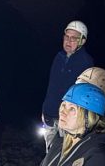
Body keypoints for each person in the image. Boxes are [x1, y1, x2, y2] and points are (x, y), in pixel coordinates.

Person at [39, 21, 94, 151]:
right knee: (50, 153)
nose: (68, 41)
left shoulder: (86, 62)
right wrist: (45, 109)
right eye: (66, 37)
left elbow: (85, 96)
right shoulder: (59, 57)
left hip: (69, 119)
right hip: (50, 115)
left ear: (82, 41)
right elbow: (51, 86)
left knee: (67, 154)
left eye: (74, 38)